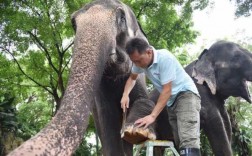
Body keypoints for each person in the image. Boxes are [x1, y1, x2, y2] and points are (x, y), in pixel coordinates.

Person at [120, 37, 201, 156]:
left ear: (149, 52)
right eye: (134, 62)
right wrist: (125, 95)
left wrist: (152, 116)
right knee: (179, 140)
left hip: (186, 95)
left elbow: (167, 90)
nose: (137, 65)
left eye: (139, 60)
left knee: (188, 139)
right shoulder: (140, 63)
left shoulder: (165, 58)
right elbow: (132, 79)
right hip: (171, 102)